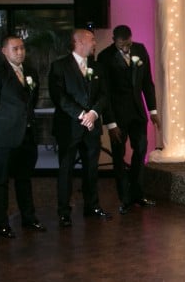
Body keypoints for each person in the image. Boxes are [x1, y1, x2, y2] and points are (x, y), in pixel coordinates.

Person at [0, 35, 45, 238]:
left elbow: (31, 101)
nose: (20, 52)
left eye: (22, 48)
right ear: (4, 51)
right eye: (15, 48)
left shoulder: (31, 72)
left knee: (24, 179)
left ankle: (28, 218)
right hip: (4, 136)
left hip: (27, 135)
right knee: (1, 181)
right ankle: (1, 223)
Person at [49, 28, 112, 227]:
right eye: (92, 40)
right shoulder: (59, 66)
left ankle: (92, 206)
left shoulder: (97, 67)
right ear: (79, 42)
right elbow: (59, 96)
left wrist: (93, 113)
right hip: (69, 127)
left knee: (91, 169)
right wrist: (81, 114)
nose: (95, 43)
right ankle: (64, 211)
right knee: (66, 169)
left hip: (91, 126)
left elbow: (104, 94)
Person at [98, 24, 160, 215]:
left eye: (128, 43)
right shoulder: (105, 57)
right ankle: (124, 198)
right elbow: (104, 92)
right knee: (118, 155)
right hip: (117, 116)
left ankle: (138, 193)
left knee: (140, 149)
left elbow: (147, 83)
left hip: (137, 112)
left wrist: (153, 110)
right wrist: (111, 122)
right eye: (122, 44)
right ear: (114, 41)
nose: (126, 47)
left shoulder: (140, 50)